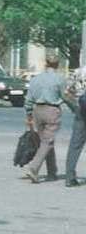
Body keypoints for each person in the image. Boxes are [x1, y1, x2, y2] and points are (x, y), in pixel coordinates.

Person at [23, 54, 68, 183]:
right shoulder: (60, 79)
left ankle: (52, 172)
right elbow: (64, 96)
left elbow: (29, 99)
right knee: (47, 142)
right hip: (51, 111)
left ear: (45, 63)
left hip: (37, 110)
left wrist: (29, 114)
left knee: (46, 141)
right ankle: (33, 168)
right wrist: (75, 108)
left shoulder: (35, 79)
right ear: (58, 65)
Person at [64, 63, 86, 187]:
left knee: (75, 146)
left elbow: (66, 93)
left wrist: (74, 107)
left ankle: (69, 177)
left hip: (81, 112)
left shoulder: (78, 72)